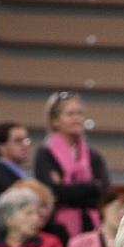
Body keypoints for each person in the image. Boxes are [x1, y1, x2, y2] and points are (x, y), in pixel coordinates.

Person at [34, 91, 110, 238]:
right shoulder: (45, 154)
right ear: (55, 121)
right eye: (70, 114)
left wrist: (67, 190)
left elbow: (103, 195)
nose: (77, 119)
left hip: (92, 229)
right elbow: (51, 194)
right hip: (57, 231)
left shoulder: (94, 157)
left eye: (79, 114)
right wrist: (90, 186)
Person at [10, 177, 69, 247]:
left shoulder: (58, 233)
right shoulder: (3, 238)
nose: (43, 212)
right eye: (31, 209)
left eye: (44, 206)